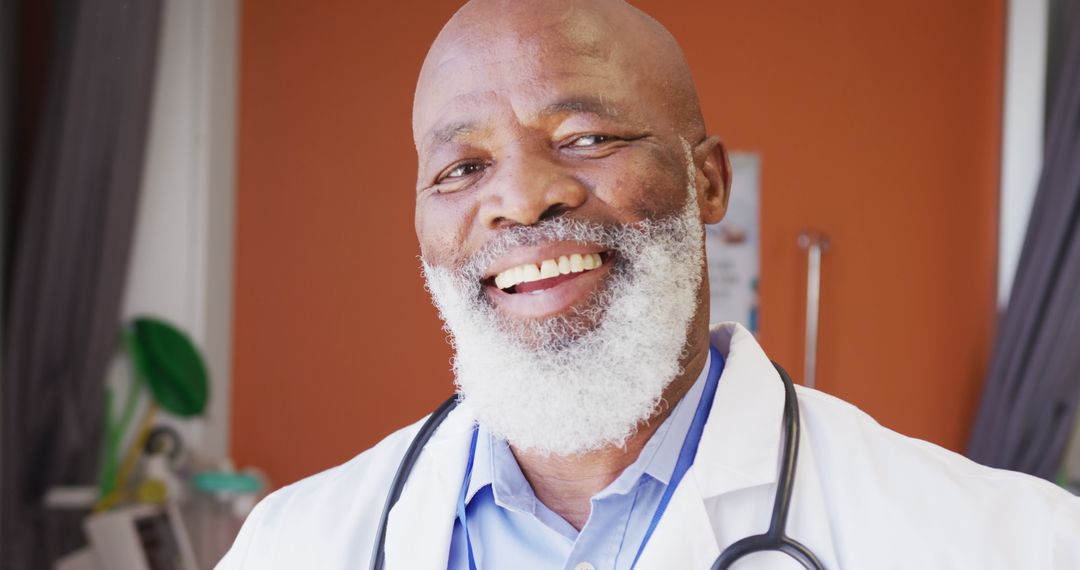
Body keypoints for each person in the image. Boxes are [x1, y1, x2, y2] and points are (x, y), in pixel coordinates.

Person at [218, 0, 1080, 568]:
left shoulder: (1003, 544)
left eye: (586, 137)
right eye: (462, 167)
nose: (520, 198)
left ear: (707, 183)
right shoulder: (292, 546)